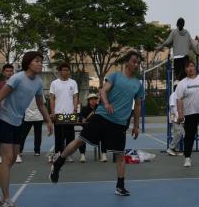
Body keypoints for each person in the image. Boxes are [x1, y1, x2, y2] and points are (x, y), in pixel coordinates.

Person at [49, 51, 145, 195]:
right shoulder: (115, 76)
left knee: (120, 155)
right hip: (102, 117)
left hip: (119, 124)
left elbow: (137, 106)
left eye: (138, 62)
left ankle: (120, 186)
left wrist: (136, 126)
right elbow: (103, 91)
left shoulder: (138, 84)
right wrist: (106, 103)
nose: (136, 65)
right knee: (79, 141)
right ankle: (58, 164)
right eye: (134, 61)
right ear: (127, 62)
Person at [0, 52, 52, 207]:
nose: (40, 64)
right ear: (28, 63)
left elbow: (40, 104)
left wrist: (48, 121)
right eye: (37, 61)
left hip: (18, 121)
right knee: (7, 158)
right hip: (4, 120)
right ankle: (6, 200)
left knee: (12, 159)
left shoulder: (38, 82)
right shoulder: (17, 78)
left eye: (41, 61)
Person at [49, 63, 79, 159]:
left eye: (67, 70)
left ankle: (68, 154)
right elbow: (52, 98)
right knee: (59, 135)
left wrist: (75, 110)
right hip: (58, 113)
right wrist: (52, 112)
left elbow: (75, 97)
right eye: (64, 70)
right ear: (59, 72)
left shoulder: (73, 82)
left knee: (70, 135)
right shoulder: (54, 83)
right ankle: (58, 153)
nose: (66, 72)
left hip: (70, 113)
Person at [156, 18, 199, 82]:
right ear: (183, 25)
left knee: (179, 77)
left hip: (177, 58)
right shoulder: (187, 32)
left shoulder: (174, 32)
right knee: (185, 76)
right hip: (185, 58)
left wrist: (160, 47)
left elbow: (167, 42)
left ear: (177, 24)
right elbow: (192, 43)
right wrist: (197, 53)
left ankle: (180, 86)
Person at [166, 84, 184, 157]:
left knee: (178, 132)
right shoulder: (173, 95)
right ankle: (171, 148)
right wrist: (178, 117)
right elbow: (173, 107)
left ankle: (174, 149)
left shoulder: (180, 95)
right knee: (179, 132)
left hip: (179, 116)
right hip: (175, 116)